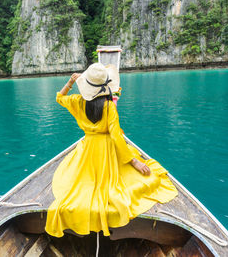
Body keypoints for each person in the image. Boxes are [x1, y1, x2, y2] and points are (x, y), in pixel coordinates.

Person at [45, 63, 178, 238]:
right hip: (108, 150)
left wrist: (70, 83)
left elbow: (59, 97)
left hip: (88, 149)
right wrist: (134, 161)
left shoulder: (76, 101)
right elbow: (116, 137)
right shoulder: (109, 107)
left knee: (80, 182)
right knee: (137, 180)